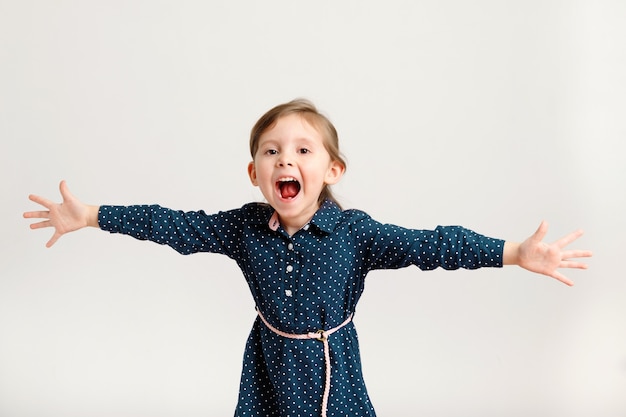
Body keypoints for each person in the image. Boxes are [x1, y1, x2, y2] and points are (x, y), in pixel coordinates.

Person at [23, 99, 592, 417]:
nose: (284, 160)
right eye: (270, 152)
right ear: (255, 175)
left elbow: (432, 244)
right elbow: (175, 226)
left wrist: (515, 252)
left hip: (331, 372)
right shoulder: (244, 228)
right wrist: (93, 214)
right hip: (269, 367)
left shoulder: (354, 234)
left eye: (301, 150)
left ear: (331, 171)